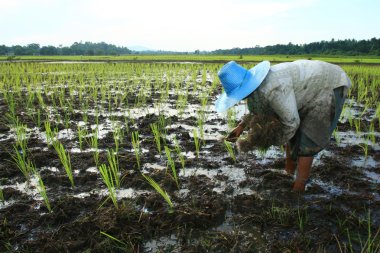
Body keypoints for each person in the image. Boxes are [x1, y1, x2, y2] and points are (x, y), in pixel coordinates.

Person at [215, 60, 351, 192]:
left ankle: (298, 190)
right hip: (308, 89)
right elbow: (257, 111)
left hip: (328, 86)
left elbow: (291, 123)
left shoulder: (274, 88)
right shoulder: (256, 88)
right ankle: (289, 173)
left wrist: (269, 140)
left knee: (307, 140)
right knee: (291, 136)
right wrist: (241, 127)